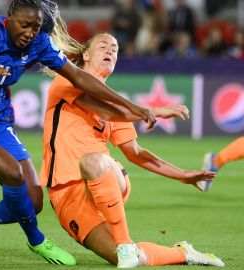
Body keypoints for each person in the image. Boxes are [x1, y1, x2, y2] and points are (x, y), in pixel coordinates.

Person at [0, 0, 156, 265]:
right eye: (25, 24)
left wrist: (132, 106)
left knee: (33, 199)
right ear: (9, 17)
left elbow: (79, 77)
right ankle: (37, 241)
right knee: (12, 173)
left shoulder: (40, 43)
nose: (30, 32)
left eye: (36, 27)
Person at [40, 32, 224, 268]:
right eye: (103, 46)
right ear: (85, 54)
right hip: (65, 195)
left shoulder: (119, 104)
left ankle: (124, 242)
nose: (110, 51)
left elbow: (135, 153)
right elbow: (105, 110)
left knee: (92, 161)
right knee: (126, 259)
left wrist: (183, 175)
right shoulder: (67, 80)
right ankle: (183, 253)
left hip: (105, 177)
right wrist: (153, 111)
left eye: (115, 49)